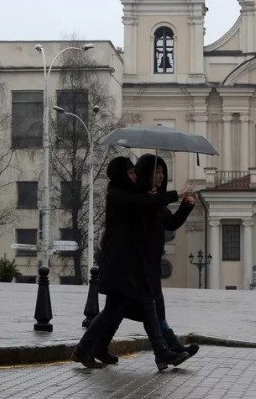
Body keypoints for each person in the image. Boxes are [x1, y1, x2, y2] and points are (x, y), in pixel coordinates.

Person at [71, 156, 191, 371]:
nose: (135, 175)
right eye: (131, 173)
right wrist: (173, 195)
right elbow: (141, 205)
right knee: (129, 308)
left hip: (133, 266)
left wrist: (182, 206)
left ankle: (94, 348)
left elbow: (166, 219)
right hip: (122, 265)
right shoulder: (118, 195)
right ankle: (162, 352)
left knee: (124, 309)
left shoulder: (136, 196)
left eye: (136, 173)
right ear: (121, 175)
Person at [129, 153, 200, 359]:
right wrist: (168, 196)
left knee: (151, 307)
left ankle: (171, 348)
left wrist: (186, 207)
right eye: (157, 172)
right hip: (138, 263)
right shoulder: (139, 198)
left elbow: (170, 224)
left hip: (151, 262)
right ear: (146, 173)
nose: (161, 176)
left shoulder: (155, 200)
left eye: (163, 172)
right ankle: (167, 350)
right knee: (148, 307)